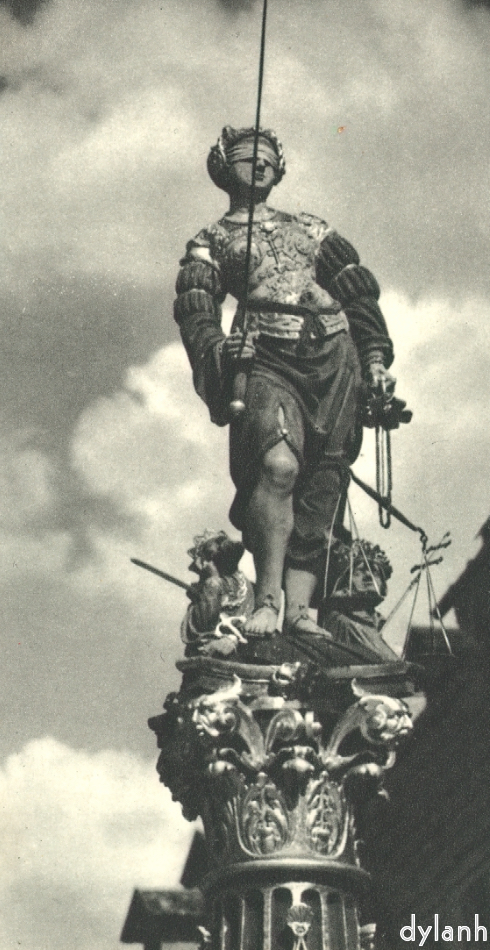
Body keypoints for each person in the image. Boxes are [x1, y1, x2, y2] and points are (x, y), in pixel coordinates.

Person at [174, 125, 396, 637]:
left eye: (269, 158)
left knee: (323, 482)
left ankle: (298, 610)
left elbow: (355, 290)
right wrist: (216, 351)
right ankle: (267, 601)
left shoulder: (312, 228)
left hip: (333, 354)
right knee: (276, 466)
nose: (260, 164)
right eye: (248, 157)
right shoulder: (210, 241)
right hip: (266, 355)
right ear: (224, 168)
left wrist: (376, 359)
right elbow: (196, 309)